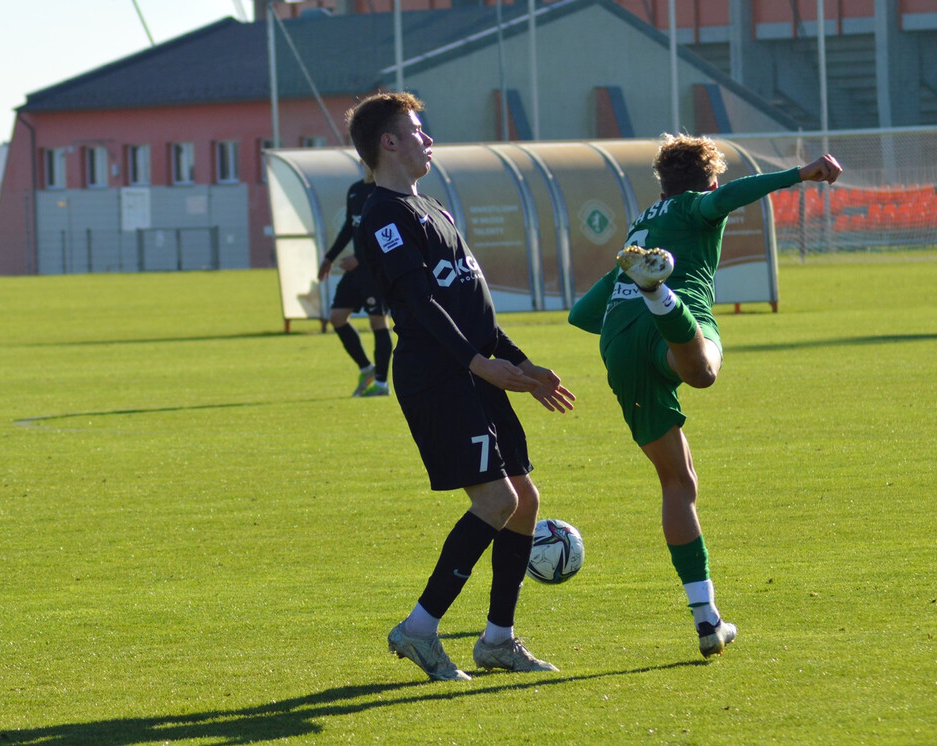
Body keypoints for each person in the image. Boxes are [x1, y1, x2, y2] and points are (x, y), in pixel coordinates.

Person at [568, 133, 842, 659]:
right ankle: (664, 299)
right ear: (709, 178)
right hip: (670, 317)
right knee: (705, 371)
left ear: (662, 180)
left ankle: (708, 622)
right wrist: (800, 175)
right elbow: (728, 199)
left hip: (617, 340)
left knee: (678, 480)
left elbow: (581, 315)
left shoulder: (642, 226)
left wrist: (624, 328)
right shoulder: (698, 205)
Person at [346, 92, 576, 682]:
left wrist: (520, 365)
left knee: (524, 503)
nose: (428, 140)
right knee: (496, 502)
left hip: (474, 371)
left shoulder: (434, 210)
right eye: (417, 131)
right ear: (389, 142)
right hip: (438, 377)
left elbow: (472, 306)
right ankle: (419, 629)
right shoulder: (380, 215)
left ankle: (498, 639)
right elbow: (420, 307)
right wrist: (479, 365)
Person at [318, 166, 392, 397]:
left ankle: (381, 383)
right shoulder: (355, 191)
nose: (366, 163)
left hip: (376, 271)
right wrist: (329, 257)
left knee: (377, 323)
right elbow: (349, 227)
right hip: (357, 271)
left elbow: (387, 233)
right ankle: (366, 368)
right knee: (337, 317)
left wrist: (359, 258)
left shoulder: (385, 191)